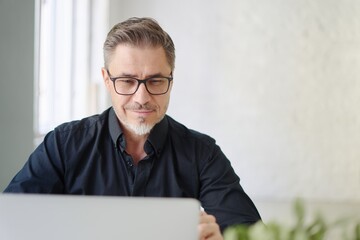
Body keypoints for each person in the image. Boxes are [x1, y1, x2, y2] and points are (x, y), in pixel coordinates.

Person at [4, 17, 261, 239]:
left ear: (171, 80)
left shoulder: (202, 153)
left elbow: (252, 234)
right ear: (106, 79)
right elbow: (9, 222)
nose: (141, 98)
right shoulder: (64, 144)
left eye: (155, 80)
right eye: (127, 81)